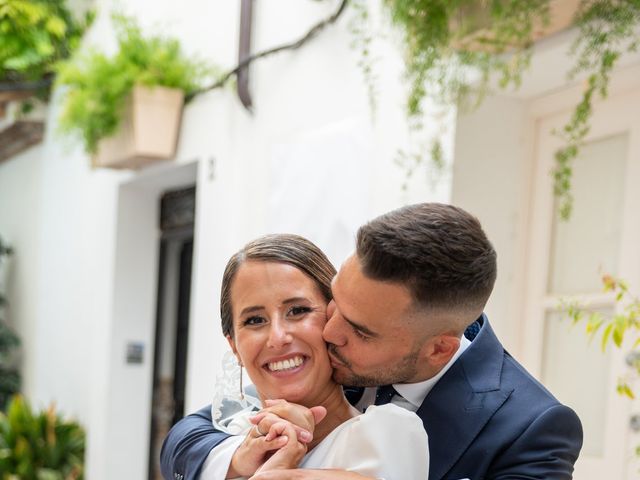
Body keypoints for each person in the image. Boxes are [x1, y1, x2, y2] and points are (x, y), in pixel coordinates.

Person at [161, 203, 583, 480]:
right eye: (335, 304)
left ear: (437, 349)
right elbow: (188, 436)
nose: (329, 332)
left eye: (359, 329)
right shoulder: (324, 360)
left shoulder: (533, 429)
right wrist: (236, 463)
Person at [179, 233, 429, 479]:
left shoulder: (386, 434)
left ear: (334, 317)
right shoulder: (234, 444)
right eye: (255, 320)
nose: (277, 337)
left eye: (298, 311)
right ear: (234, 346)